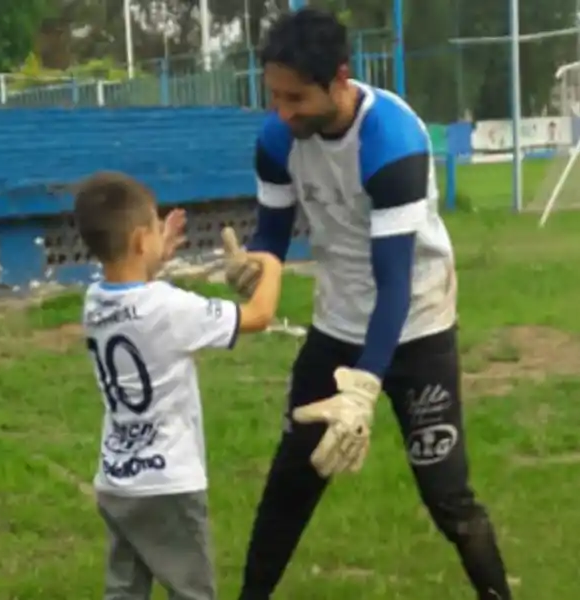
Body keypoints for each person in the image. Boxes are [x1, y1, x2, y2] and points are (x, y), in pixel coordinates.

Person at [221, 8, 514, 600]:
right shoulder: (277, 140)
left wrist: (363, 390)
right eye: (273, 95)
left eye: (295, 97)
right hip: (336, 327)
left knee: (447, 496)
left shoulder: (393, 143)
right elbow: (274, 234)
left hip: (417, 324)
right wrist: (254, 263)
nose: (282, 111)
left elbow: (394, 286)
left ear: (340, 78)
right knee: (291, 482)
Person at [73, 170, 283, 600]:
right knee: (191, 592)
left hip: (117, 481)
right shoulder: (170, 307)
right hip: (168, 483)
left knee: (124, 592)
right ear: (138, 240)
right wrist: (272, 265)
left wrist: (155, 256)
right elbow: (258, 316)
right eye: (154, 228)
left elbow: (132, 292)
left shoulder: (94, 301)